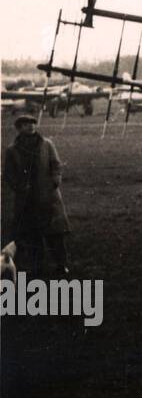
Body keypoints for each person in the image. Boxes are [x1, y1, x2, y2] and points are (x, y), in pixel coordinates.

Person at [1, 114, 71, 276]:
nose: (31, 126)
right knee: (33, 235)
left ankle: (61, 264)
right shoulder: (12, 150)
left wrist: (55, 181)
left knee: (55, 234)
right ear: (19, 128)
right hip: (27, 199)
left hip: (48, 196)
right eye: (26, 124)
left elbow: (56, 165)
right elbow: (8, 174)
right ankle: (37, 266)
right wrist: (19, 187)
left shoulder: (47, 144)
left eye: (33, 123)